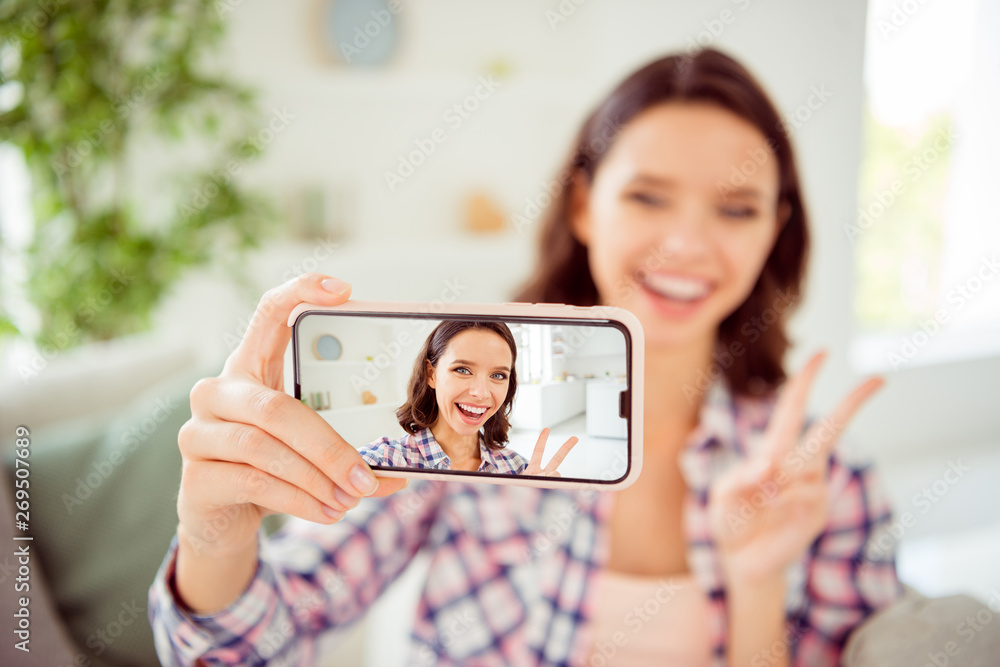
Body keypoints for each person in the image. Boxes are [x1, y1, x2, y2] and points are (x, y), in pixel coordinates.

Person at [148, 49, 902, 666]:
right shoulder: (453, 436)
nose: (688, 244)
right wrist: (219, 534)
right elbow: (245, 648)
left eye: (736, 208)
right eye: (648, 196)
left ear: (776, 227)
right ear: (583, 206)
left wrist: (759, 581)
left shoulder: (820, 479)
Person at [355, 319, 579, 475]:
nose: (481, 393)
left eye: (498, 375)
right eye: (462, 370)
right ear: (431, 374)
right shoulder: (386, 461)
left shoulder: (517, 469)